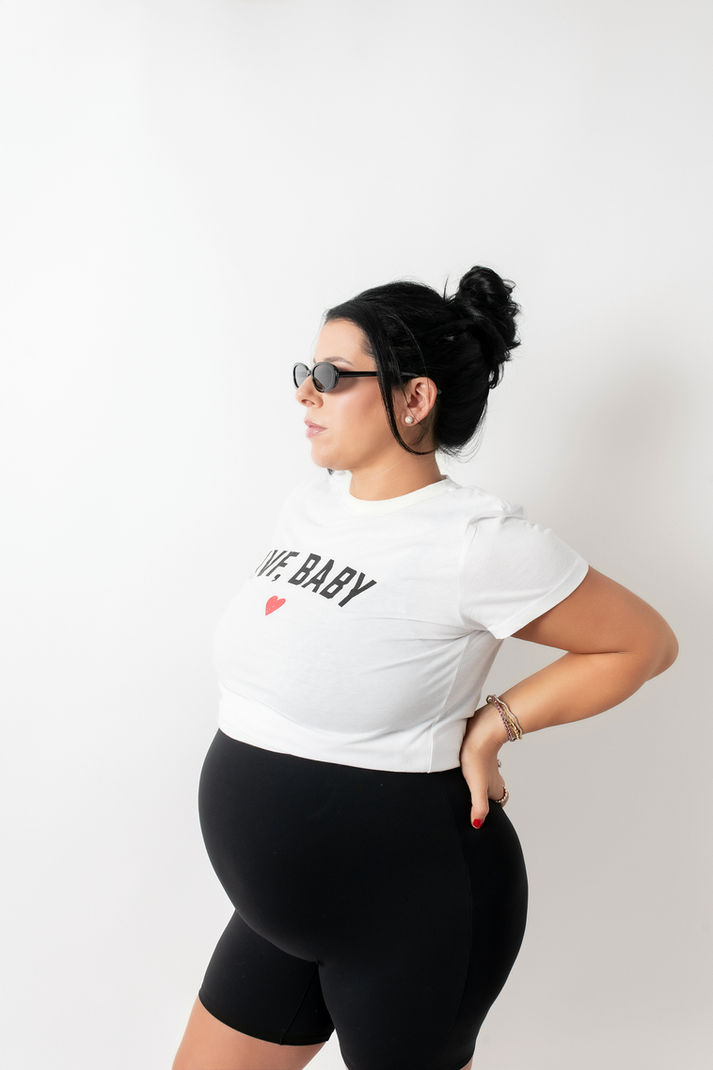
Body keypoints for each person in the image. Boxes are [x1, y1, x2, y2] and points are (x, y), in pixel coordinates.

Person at [172, 265, 679, 1070]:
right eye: (305, 371)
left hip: (411, 916)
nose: (305, 393)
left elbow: (641, 643)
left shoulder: (476, 542)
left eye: (331, 376)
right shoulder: (309, 508)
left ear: (414, 398)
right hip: (276, 914)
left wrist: (494, 725)